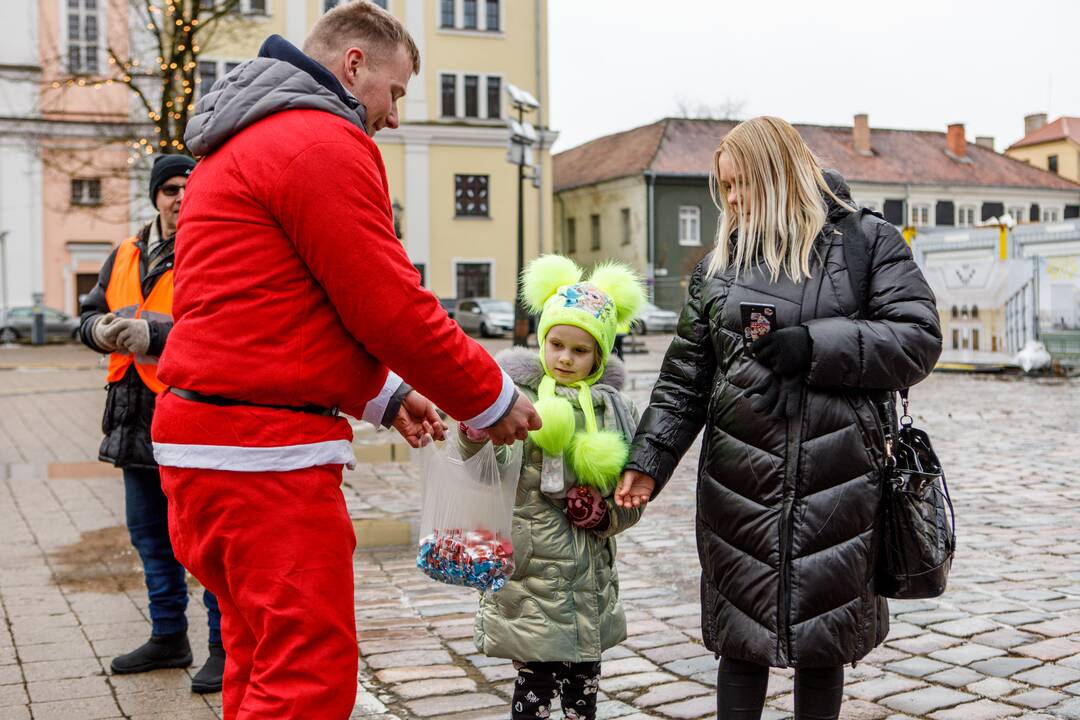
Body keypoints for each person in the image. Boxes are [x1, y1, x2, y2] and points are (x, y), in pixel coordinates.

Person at [151, 3, 540, 718]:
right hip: (262, 460)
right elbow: (387, 302)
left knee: (256, 656)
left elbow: (275, 311)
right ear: (353, 64)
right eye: (394, 93)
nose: (393, 118)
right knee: (306, 676)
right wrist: (491, 398)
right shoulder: (320, 141)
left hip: (204, 442)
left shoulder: (235, 145)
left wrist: (386, 397)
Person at [615, 116, 942, 720]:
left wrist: (816, 346)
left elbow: (917, 338)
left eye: (739, 185)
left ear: (776, 175)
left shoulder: (865, 242)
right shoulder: (718, 268)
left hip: (840, 478)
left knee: (824, 647)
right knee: (740, 645)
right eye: (725, 188)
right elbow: (685, 377)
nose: (732, 200)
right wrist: (648, 460)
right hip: (738, 482)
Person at [461, 255, 646, 720]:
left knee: (583, 688)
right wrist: (475, 435)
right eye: (556, 344)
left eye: (580, 351)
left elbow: (634, 490)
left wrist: (605, 516)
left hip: (587, 577)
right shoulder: (518, 402)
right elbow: (488, 470)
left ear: (599, 355)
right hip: (531, 574)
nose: (565, 358)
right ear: (541, 342)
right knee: (535, 686)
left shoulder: (613, 410)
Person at [79, 153, 225, 693]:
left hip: (187, 416)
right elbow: (90, 312)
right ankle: (168, 636)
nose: (180, 197)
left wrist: (155, 337)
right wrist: (100, 331)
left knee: (204, 541)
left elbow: (219, 325)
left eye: (188, 186)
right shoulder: (125, 252)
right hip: (132, 417)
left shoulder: (212, 247)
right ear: (155, 196)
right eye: (169, 189)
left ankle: (223, 646)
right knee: (149, 538)